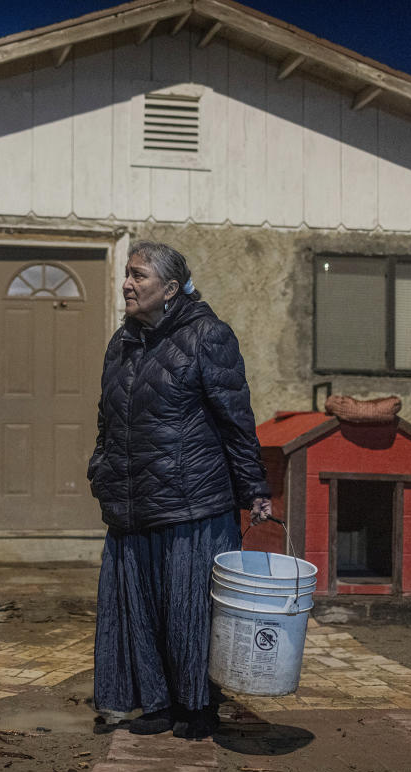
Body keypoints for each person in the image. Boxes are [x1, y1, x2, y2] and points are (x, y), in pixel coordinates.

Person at [87, 240, 272, 739]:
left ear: (169, 289)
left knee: (191, 611)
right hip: (132, 500)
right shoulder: (122, 343)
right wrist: (100, 468)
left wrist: (254, 488)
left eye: (139, 276)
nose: (127, 283)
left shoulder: (208, 336)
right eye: (127, 274)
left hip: (194, 502)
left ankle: (198, 707)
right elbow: (108, 420)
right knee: (141, 609)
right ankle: (157, 703)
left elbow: (236, 420)